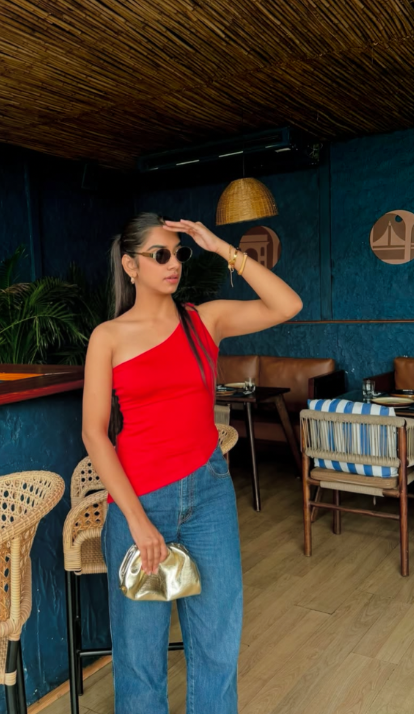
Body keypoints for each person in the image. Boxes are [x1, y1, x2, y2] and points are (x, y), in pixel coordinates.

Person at [82, 212, 302, 714]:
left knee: (217, 645)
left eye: (179, 253)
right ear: (130, 265)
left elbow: (287, 304)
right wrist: (137, 521)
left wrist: (220, 247)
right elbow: (94, 433)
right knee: (139, 658)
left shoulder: (204, 320)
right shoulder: (108, 337)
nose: (174, 263)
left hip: (209, 494)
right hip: (140, 502)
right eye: (159, 254)